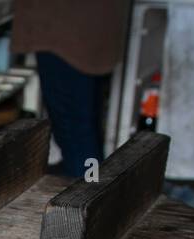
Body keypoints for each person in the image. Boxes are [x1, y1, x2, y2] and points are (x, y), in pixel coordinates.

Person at [11, 0, 133, 178]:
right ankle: (94, 191)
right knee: (84, 129)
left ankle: (89, 196)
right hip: (91, 27)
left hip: (66, 32)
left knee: (77, 136)